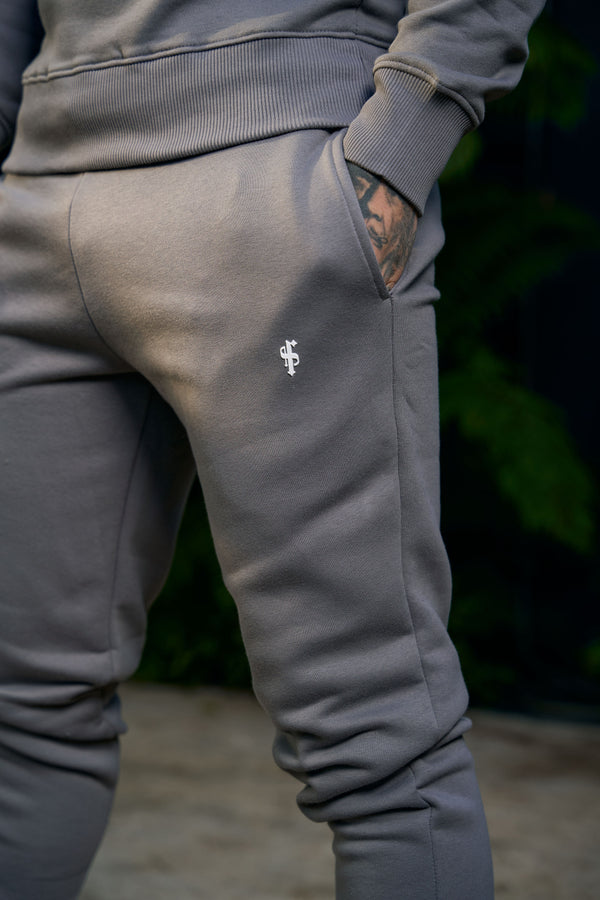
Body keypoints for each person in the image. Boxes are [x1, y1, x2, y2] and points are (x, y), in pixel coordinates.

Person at [0, 1, 545, 898]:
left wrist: (397, 151)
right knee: (23, 718)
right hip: (36, 206)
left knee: (377, 742)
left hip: (274, 199)